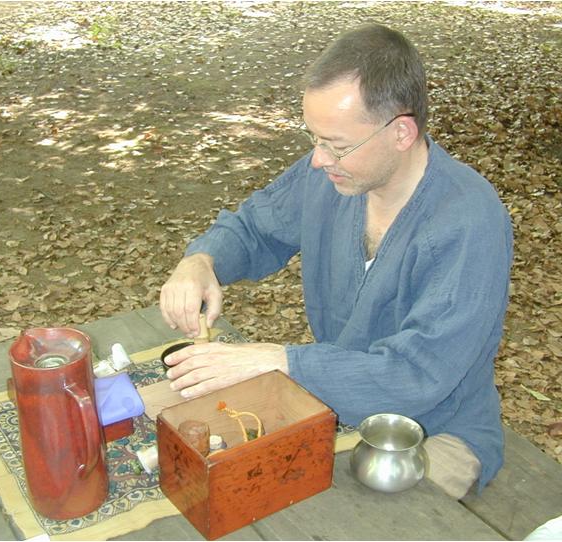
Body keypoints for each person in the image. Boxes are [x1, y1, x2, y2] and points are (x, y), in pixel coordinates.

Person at [159, 23, 513, 499]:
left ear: (402, 132)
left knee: (346, 519)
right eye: (314, 139)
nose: (318, 160)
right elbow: (254, 227)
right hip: (335, 404)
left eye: (337, 145)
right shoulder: (332, 177)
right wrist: (201, 261)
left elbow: (416, 375)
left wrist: (280, 362)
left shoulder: (468, 222)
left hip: (433, 429)